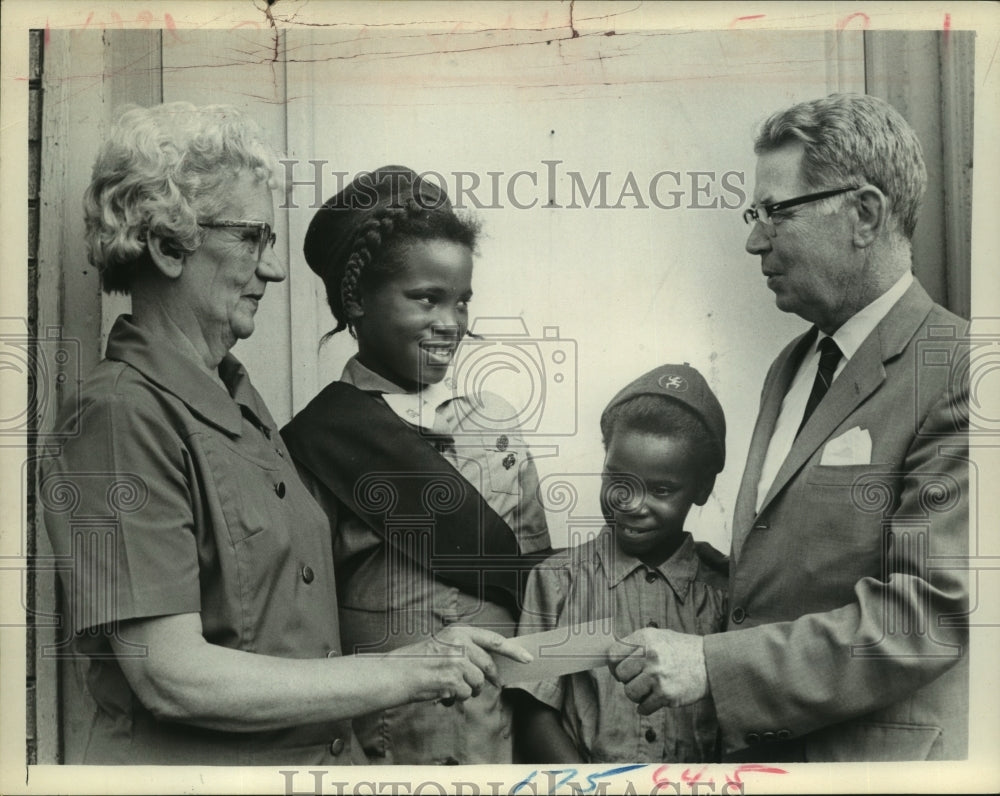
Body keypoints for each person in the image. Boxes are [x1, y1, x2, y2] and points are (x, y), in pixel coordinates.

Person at [40, 104, 531, 765]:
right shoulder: (115, 416)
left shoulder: (242, 408)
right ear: (165, 245)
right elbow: (170, 676)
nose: (272, 271)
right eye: (251, 239)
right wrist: (413, 670)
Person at [609, 93, 969, 762]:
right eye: (756, 214)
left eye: (777, 211)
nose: (754, 239)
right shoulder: (793, 364)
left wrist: (715, 667)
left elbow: (927, 617)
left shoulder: (960, 369)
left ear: (864, 214)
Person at [281, 166, 552, 765]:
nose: (450, 323)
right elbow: (303, 633)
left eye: (461, 302)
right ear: (356, 301)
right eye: (425, 299)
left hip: (495, 746)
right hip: (382, 749)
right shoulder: (312, 446)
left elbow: (537, 588)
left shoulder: (497, 424)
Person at [509, 364, 729, 763]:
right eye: (617, 481)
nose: (630, 504)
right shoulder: (560, 582)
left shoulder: (723, 590)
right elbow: (534, 716)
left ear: (702, 489)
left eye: (661, 490)